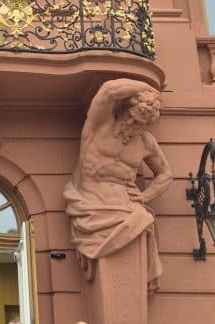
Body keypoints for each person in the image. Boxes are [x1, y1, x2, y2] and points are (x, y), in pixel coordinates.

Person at [63, 78, 172, 290]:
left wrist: (145, 197)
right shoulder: (97, 127)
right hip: (92, 207)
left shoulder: (145, 141)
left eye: (143, 123)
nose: (137, 126)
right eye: (135, 119)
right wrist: (150, 90)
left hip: (128, 208)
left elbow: (165, 174)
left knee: (143, 222)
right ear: (125, 109)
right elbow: (109, 90)